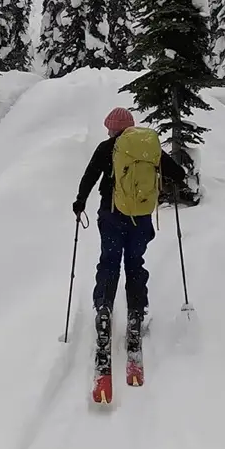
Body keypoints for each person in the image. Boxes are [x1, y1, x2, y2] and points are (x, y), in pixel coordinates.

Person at [72, 107, 186, 384]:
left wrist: (80, 202)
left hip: (111, 215)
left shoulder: (107, 148)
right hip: (141, 219)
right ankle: (136, 315)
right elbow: (179, 174)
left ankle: (103, 310)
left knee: (109, 263)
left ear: (112, 129)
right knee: (135, 265)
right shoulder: (148, 148)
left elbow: (89, 177)